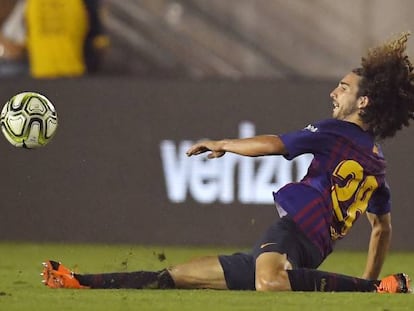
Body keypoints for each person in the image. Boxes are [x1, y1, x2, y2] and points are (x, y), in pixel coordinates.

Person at [42, 32, 414, 293]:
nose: (334, 92)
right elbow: (381, 229)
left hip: (292, 235)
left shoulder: (334, 131)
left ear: (364, 102)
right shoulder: (376, 163)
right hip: (305, 250)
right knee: (178, 277)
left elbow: (276, 145)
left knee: (269, 283)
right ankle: (80, 280)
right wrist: (371, 277)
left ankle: (369, 290)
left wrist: (223, 143)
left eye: (344, 87)